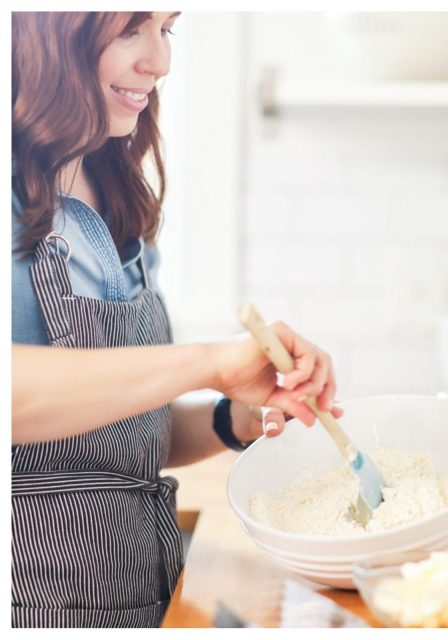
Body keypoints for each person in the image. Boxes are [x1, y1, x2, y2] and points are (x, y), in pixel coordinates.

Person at [11, 12, 341, 627]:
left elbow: (120, 438)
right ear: (44, 28)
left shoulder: (110, 181)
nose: (159, 62)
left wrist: (232, 416)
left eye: (167, 29)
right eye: (130, 29)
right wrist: (209, 363)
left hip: (141, 597)